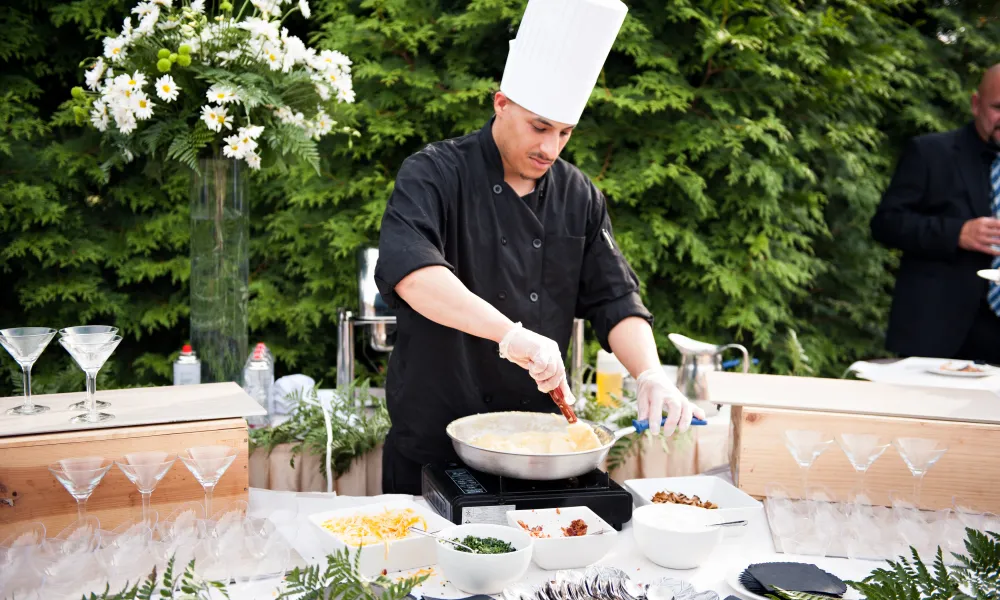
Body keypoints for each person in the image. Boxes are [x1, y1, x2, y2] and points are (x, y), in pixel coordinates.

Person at [374, 0, 704, 495]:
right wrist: (512, 335)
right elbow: (413, 273)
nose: (550, 148)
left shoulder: (579, 196)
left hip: (538, 452)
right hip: (432, 448)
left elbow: (615, 299)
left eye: (564, 133)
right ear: (501, 103)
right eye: (539, 127)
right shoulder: (434, 173)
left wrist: (651, 373)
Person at [871, 65, 1000, 364]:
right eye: (997, 108)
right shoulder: (930, 152)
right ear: (975, 104)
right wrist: (956, 233)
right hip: (938, 331)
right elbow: (886, 224)